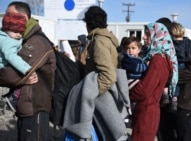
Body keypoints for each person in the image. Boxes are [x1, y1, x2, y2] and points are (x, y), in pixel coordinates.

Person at [63, 6, 129, 141]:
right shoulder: (107, 38)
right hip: (105, 95)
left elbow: (107, 75)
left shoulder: (99, 41)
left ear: (88, 24)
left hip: (101, 98)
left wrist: (90, 92)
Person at [0, 1, 56, 141]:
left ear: (24, 17)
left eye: (10, 14)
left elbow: (11, 74)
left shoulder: (36, 42)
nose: (7, 18)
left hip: (35, 108)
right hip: (27, 107)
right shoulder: (23, 39)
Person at [129, 22, 177, 141]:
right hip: (147, 109)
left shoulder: (158, 59)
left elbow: (144, 90)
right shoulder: (155, 57)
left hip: (147, 111)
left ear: (158, 36)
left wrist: (126, 90)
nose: (144, 37)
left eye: (148, 34)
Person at [157, 17, 191, 141]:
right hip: (165, 103)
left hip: (183, 103)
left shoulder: (188, 50)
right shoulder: (163, 50)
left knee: (183, 136)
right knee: (165, 135)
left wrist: (168, 78)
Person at [168, 22, 191, 110]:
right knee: (178, 81)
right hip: (183, 63)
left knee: (171, 78)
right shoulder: (187, 41)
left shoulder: (170, 42)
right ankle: (175, 97)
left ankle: (168, 94)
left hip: (172, 63)